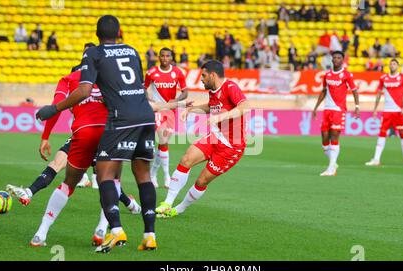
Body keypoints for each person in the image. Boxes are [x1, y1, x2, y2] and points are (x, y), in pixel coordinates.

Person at [36, 15, 182, 253]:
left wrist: (54, 108)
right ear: (120, 32)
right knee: (143, 175)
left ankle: (115, 230)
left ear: (96, 34)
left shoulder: (93, 53)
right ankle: (149, 235)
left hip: (121, 119)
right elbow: (133, 85)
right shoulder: (133, 51)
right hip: (145, 116)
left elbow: (84, 90)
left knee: (104, 174)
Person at [8, 63, 143, 247]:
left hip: (82, 134)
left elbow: (56, 107)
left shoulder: (69, 79)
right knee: (110, 182)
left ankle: (40, 233)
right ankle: (102, 230)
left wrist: (45, 136)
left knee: (67, 184)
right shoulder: (111, 77)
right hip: (108, 134)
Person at [155, 60, 250, 218]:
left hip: (231, 147)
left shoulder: (230, 87)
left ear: (213, 75)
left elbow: (245, 106)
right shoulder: (213, 90)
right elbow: (211, 106)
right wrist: (191, 109)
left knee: (201, 181)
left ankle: (179, 209)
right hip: (215, 137)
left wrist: (221, 117)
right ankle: (167, 203)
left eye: (204, 76)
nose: (201, 79)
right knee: (186, 159)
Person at [144, 47, 188, 189]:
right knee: (163, 139)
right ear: (158, 57)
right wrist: (149, 100)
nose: (164, 58)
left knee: (163, 144)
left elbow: (185, 92)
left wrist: (176, 100)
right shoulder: (151, 72)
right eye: (162, 56)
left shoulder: (177, 72)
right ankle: (167, 176)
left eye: (167, 56)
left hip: (171, 111)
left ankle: (152, 173)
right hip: (158, 110)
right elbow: (144, 88)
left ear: (171, 58)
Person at [312, 51, 360, 176]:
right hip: (327, 110)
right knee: (324, 140)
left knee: (334, 137)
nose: (336, 59)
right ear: (332, 60)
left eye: (339, 58)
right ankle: (333, 163)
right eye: (334, 58)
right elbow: (323, 91)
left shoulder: (346, 75)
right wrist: (316, 107)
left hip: (339, 110)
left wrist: (357, 106)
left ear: (342, 60)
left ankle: (331, 168)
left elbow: (354, 90)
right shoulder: (327, 75)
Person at [365, 59, 403, 166]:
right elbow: (378, 94)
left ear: (398, 66)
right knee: (382, 134)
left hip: (398, 111)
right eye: (391, 64)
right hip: (387, 111)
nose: (392, 65)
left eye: (394, 64)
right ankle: (376, 159)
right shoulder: (383, 78)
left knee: (402, 134)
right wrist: (375, 109)